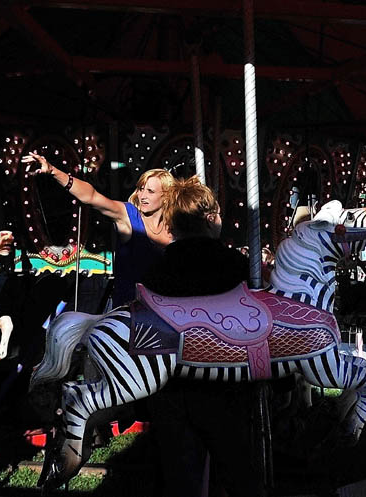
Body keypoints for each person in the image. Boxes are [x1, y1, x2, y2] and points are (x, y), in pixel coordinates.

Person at [143, 176, 262, 497]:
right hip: (223, 385)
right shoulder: (238, 267)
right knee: (237, 472)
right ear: (210, 219)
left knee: (179, 476)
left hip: (169, 386)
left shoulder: (155, 271)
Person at [22, 152, 173, 307]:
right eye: (141, 189)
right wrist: (53, 171)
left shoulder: (175, 227)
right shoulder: (128, 216)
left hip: (167, 309)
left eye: (150, 191)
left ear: (167, 196)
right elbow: (91, 196)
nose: (142, 195)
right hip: (130, 311)